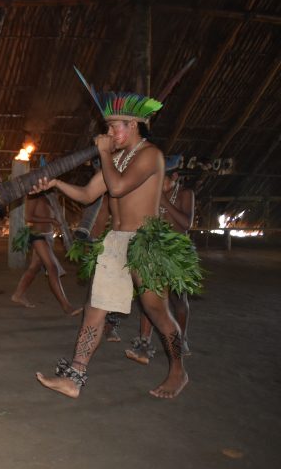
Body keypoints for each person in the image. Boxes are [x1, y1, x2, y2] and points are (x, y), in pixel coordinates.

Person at [33, 73, 201, 399]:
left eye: (116, 126)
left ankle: (178, 371)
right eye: (108, 127)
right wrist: (55, 184)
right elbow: (85, 194)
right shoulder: (118, 157)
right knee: (94, 308)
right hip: (116, 243)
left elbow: (119, 187)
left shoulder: (151, 155)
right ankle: (75, 376)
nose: (109, 133)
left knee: (157, 311)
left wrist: (103, 154)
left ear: (135, 125)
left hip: (145, 244)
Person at [127, 155, 195, 364]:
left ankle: (181, 338)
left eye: (163, 180)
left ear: (174, 176)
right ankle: (144, 343)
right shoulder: (152, 193)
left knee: (178, 300)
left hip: (177, 252)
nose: (159, 184)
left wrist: (164, 201)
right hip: (155, 250)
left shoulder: (185, 194)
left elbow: (186, 224)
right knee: (150, 298)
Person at [10, 192, 82, 315]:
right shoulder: (33, 195)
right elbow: (28, 217)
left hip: (48, 236)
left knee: (34, 268)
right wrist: (51, 220)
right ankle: (66, 306)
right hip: (38, 236)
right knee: (52, 268)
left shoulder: (50, 195)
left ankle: (18, 294)